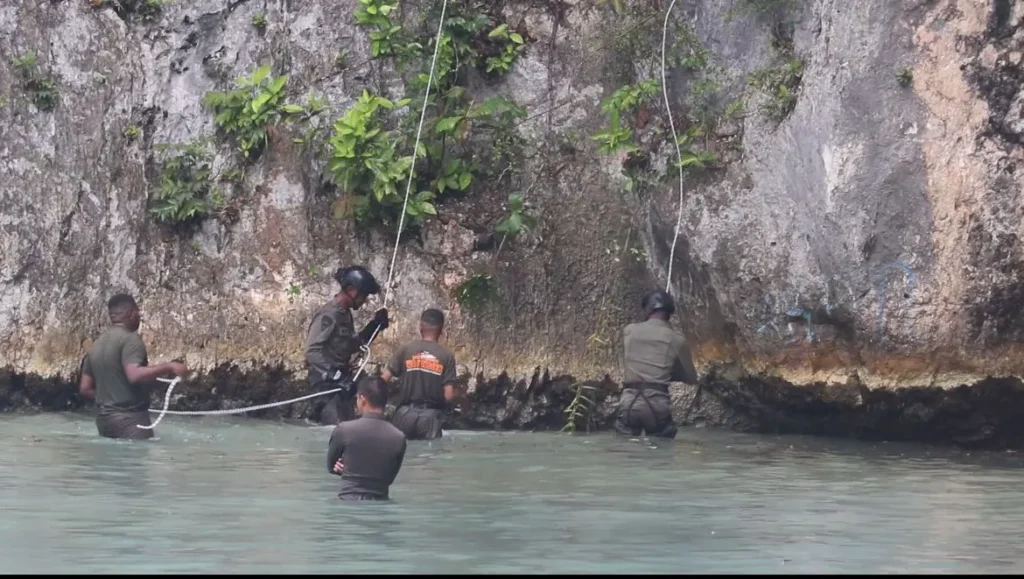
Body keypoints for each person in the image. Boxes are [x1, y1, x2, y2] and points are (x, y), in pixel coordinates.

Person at [78, 293, 190, 440]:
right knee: (138, 461)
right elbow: (134, 375)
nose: (139, 317)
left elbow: (85, 389)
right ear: (130, 313)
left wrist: (111, 397)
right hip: (130, 422)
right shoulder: (130, 339)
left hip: (104, 422)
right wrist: (170, 366)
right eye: (138, 312)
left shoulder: (97, 344)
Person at [304, 265, 390, 425]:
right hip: (326, 386)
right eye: (363, 295)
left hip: (340, 384)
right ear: (352, 290)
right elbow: (311, 351)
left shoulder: (345, 314)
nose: (364, 301)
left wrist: (374, 326)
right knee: (338, 428)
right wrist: (336, 377)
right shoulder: (330, 314)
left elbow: (350, 345)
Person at [614, 290, 698, 440]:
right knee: (661, 453)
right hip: (657, 405)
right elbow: (691, 377)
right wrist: (670, 373)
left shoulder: (629, 331)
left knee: (624, 452)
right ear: (670, 313)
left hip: (629, 403)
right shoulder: (676, 340)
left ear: (647, 309)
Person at [382, 308, 462, 440]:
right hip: (430, 418)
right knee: (428, 458)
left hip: (404, 415)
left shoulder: (406, 350)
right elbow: (448, 395)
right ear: (441, 330)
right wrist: (461, 396)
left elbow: (382, 380)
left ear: (421, 327)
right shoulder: (446, 356)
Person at [326, 376, 407, 501]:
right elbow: (389, 479)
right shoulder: (399, 437)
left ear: (362, 399)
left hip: (347, 503)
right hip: (380, 503)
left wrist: (342, 467)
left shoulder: (343, 429)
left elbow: (331, 467)